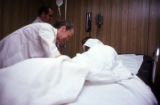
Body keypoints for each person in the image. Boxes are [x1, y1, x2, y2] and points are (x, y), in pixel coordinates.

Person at [0, 21, 74, 68]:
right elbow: (50, 50)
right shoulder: (47, 28)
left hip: (18, 56)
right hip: (12, 50)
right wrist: (64, 60)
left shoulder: (51, 38)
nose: (67, 39)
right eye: (68, 36)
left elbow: (46, 56)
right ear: (63, 29)